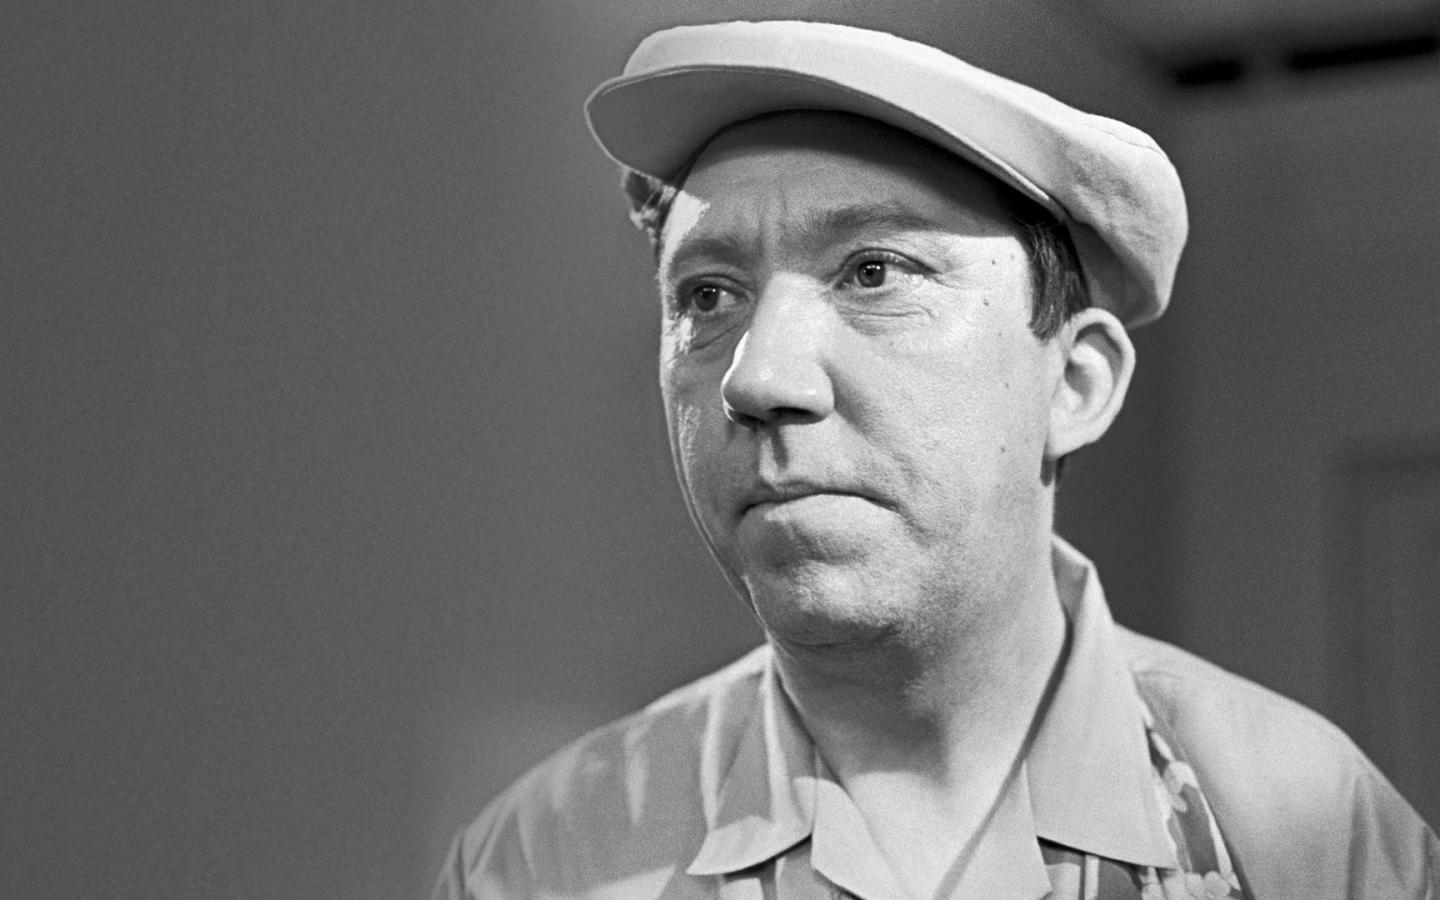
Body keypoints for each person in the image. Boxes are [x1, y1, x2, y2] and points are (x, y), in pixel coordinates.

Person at [434, 20, 1438, 899]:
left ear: (1075, 382)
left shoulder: (1310, 834)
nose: (760, 376)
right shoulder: (548, 858)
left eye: (873, 272)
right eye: (708, 297)